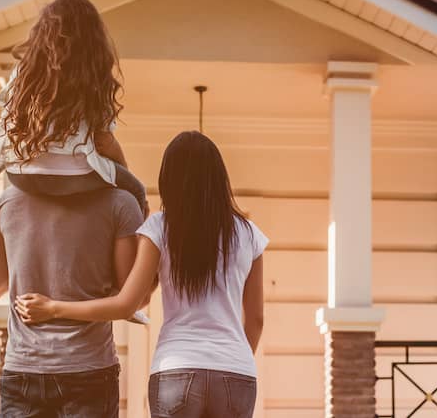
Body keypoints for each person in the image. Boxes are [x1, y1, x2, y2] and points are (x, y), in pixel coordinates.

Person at [15, 131, 267, 418]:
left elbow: (128, 304)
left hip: (176, 368)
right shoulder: (249, 235)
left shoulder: (161, 227)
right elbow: (256, 320)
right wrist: (233, 359)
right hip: (236, 371)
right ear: (219, 177)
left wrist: (54, 308)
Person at [0, 0, 148, 418]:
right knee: (137, 192)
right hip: (89, 371)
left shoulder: (6, 205)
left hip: (22, 371)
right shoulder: (119, 205)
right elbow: (135, 291)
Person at [0, 0, 148, 216]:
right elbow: (103, 141)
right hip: (75, 177)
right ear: (93, 39)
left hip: (24, 176)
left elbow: (7, 119)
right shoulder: (91, 74)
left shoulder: (25, 73)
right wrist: (122, 171)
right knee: (137, 192)